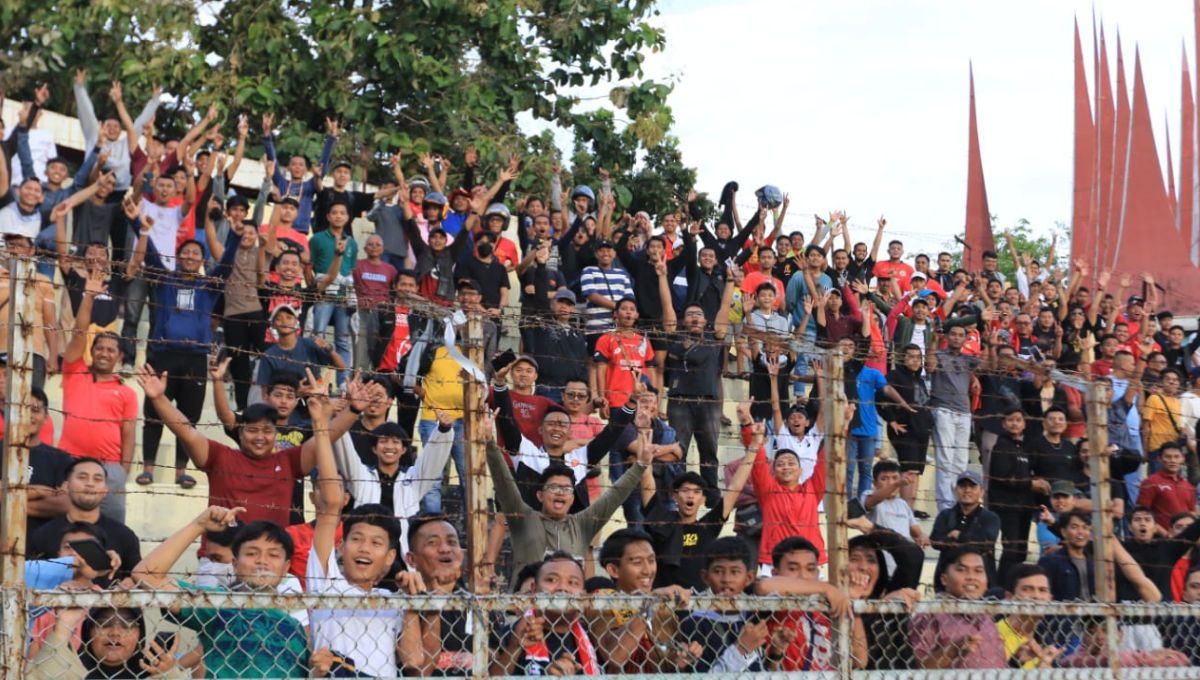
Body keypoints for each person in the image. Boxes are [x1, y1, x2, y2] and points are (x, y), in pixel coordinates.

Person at [136, 365, 366, 527]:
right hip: (222, 561)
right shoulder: (220, 457)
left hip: (273, 557)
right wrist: (158, 399)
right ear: (240, 431)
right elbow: (185, 430)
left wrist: (353, 410)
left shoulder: (288, 461)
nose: (260, 438)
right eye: (252, 430)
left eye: (267, 431)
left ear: (276, 434)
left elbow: (325, 439)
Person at [306, 388, 420, 678]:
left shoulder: (393, 601)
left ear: (390, 556)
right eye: (356, 539)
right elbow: (332, 504)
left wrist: (411, 604)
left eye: (376, 543)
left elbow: (413, 660)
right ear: (341, 547)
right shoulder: (325, 583)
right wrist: (321, 425)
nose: (365, 548)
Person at [127, 200, 236, 488]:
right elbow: (149, 256)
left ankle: (180, 471)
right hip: (163, 354)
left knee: (188, 418)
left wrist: (235, 236)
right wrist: (137, 224)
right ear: (177, 256)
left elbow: (226, 266)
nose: (190, 256)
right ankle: (148, 468)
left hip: (195, 358)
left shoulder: (209, 285)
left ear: (202, 260)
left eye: (196, 253)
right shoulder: (165, 279)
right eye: (186, 252)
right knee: (154, 413)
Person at [131, 507, 311, 677]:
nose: (262, 561)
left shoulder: (294, 627)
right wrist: (199, 525)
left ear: (286, 567)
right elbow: (146, 575)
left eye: (273, 555)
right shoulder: (218, 605)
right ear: (234, 564)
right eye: (251, 553)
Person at [485, 406, 651, 578]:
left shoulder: (582, 524)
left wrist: (640, 466)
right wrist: (490, 443)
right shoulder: (524, 519)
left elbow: (614, 496)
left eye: (566, 489)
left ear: (572, 498)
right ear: (540, 495)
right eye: (553, 488)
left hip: (572, 603)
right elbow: (504, 485)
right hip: (528, 602)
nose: (560, 493)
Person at [55, 267, 138, 520]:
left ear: (120, 357)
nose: (104, 353)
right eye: (99, 348)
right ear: (91, 351)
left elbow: (129, 435)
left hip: (109, 469)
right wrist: (89, 297)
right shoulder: (75, 371)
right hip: (69, 462)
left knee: (111, 528)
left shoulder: (127, 393)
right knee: (63, 524)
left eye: (111, 350)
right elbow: (79, 334)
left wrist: (121, 472)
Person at [641, 419, 760, 590]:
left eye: (696, 492)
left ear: (703, 499)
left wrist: (754, 447)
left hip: (697, 607)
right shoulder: (661, 521)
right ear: (675, 496)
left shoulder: (708, 527)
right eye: (685, 490)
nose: (690, 495)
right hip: (663, 602)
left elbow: (734, 488)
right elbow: (647, 483)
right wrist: (644, 462)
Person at [332, 412, 454, 551]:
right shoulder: (362, 476)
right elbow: (345, 451)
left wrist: (443, 430)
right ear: (374, 448)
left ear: (403, 450)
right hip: (367, 549)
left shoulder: (412, 480)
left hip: (402, 552)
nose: (389, 446)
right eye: (383, 441)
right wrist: (338, 418)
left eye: (396, 442)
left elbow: (432, 460)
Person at [662, 262, 735, 491]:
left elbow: (724, 306)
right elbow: (667, 306)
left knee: (709, 452)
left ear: (705, 321)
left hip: (708, 403)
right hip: (679, 403)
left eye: (699, 315)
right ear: (683, 320)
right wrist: (663, 276)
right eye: (690, 314)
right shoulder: (674, 337)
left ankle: (712, 496)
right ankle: (678, 493)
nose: (694, 318)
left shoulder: (715, 337)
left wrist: (731, 282)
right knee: (678, 450)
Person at [27, 457, 141, 583]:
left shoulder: (124, 536)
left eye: (97, 479)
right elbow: (29, 579)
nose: (90, 484)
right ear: (66, 486)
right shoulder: (42, 535)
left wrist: (129, 583)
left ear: (105, 489)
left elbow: (137, 579)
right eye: (82, 477)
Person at [489, 553, 601, 676]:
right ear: (534, 589)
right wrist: (514, 647)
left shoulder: (593, 637)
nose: (562, 588)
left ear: (583, 595)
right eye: (551, 580)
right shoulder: (511, 634)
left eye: (573, 582)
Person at [398, 515, 475, 675]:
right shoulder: (400, 604)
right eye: (433, 543)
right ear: (411, 559)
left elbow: (498, 655)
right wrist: (435, 599)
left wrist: (481, 656)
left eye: (452, 542)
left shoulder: (475, 602)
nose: (445, 549)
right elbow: (419, 672)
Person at [911, 547, 1006, 669]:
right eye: (962, 570)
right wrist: (951, 652)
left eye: (978, 571)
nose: (971, 577)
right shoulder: (929, 615)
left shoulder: (986, 614)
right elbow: (918, 668)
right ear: (944, 579)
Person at [27, 606, 184, 680]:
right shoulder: (71, 666)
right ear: (89, 631)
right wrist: (61, 630)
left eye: (127, 625)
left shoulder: (151, 672)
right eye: (104, 623)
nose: (115, 632)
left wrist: (168, 674)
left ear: (140, 633)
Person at [927, 325, 983, 511]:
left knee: (960, 460)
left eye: (961, 335)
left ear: (965, 339)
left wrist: (990, 345)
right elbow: (930, 366)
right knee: (945, 460)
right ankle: (945, 507)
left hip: (964, 412)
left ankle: (958, 504)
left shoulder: (968, 359)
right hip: (943, 410)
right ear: (947, 337)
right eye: (954, 334)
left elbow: (988, 366)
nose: (957, 338)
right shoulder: (940, 355)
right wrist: (933, 343)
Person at [988, 409, 1051, 574]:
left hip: (1023, 507)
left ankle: (1014, 584)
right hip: (1006, 506)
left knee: (1021, 549)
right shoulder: (1001, 445)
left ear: (1024, 424)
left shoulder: (1022, 448)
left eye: (1018, 420)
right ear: (1003, 423)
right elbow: (1002, 476)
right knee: (1011, 549)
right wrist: (1030, 484)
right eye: (1010, 420)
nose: (1014, 423)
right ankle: (1002, 586)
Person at [882, 344, 934, 516]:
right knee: (908, 470)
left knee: (917, 471)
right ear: (902, 358)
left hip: (921, 429)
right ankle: (904, 510)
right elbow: (880, 396)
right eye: (910, 356)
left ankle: (910, 510)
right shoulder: (895, 376)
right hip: (905, 430)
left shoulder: (919, 379)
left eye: (918, 357)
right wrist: (891, 420)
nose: (915, 360)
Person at [261, 113, 335, 233]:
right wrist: (267, 134)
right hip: (279, 228)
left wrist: (331, 138)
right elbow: (272, 159)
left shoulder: (309, 186)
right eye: (294, 164)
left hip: (300, 230)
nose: (297, 167)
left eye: (301, 165)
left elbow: (322, 166)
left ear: (306, 170)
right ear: (288, 168)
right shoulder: (281, 182)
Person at [930, 471, 1000, 588]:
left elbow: (986, 543)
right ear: (956, 490)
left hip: (982, 585)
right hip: (947, 582)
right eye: (963, 486)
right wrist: (971, 541)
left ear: (981, 491)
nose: (967, 490)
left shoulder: (990, 517)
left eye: (972, 486)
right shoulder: (945, 515)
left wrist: (958, 536)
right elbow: (935, 541)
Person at [996, 565, 1063, 669]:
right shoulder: (993, 634)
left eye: (1042, 590)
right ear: (1009, 598)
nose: (1036, 596)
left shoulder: (1047, 639)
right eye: (1027, 589)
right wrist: (1015, 662)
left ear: (1050, 599)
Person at [25, 387, 71, 534]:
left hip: (41, 549)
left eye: (35, 410)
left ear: (46, 417)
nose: (29, 415)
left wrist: (10, 501)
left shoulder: (61, 459)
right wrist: (41, 491)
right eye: (23, 408)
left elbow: (64, 505)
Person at [862, 460, 930, 549]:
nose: (890, 482)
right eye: (884, 479)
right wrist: (897, 483)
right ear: (875, 483)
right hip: (880, 554)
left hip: (903, 556)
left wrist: (923, 536)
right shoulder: (869, 495)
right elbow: (870, 502)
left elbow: (916, 532)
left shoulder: (903, 504)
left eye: (895, 478)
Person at [1136, 443, 1196, 529]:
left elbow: (1191, 513)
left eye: (1176, 457)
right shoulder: (1151, 482)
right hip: (1161, 539)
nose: (1172, 460)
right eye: (1168, 457)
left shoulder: (1188, 485)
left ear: (1183, 459)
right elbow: (1141, 513)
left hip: (1185, 538)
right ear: (1159, 459)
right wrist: (1165, 534)